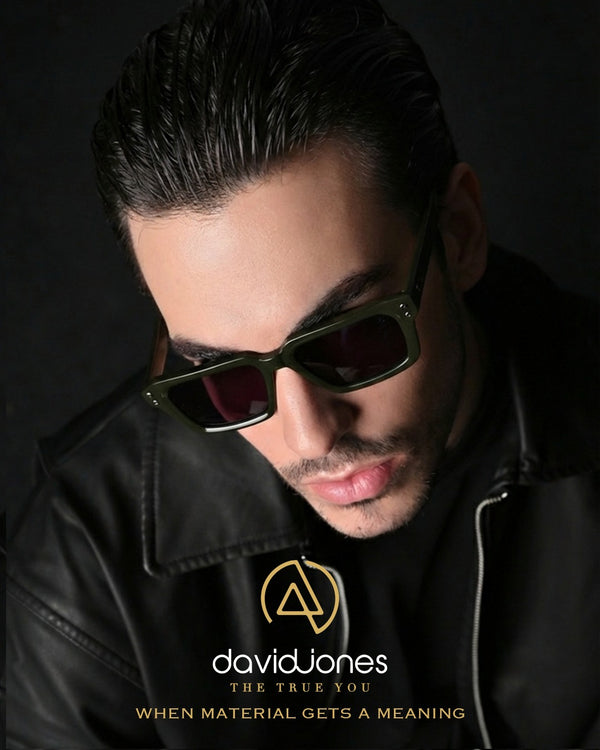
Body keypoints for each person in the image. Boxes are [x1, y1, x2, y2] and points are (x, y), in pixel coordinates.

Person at [6, 0, 599, 748]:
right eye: (221, 373)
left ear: (459, 235)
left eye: (351, 339)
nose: (310, 435)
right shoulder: (91, 555)